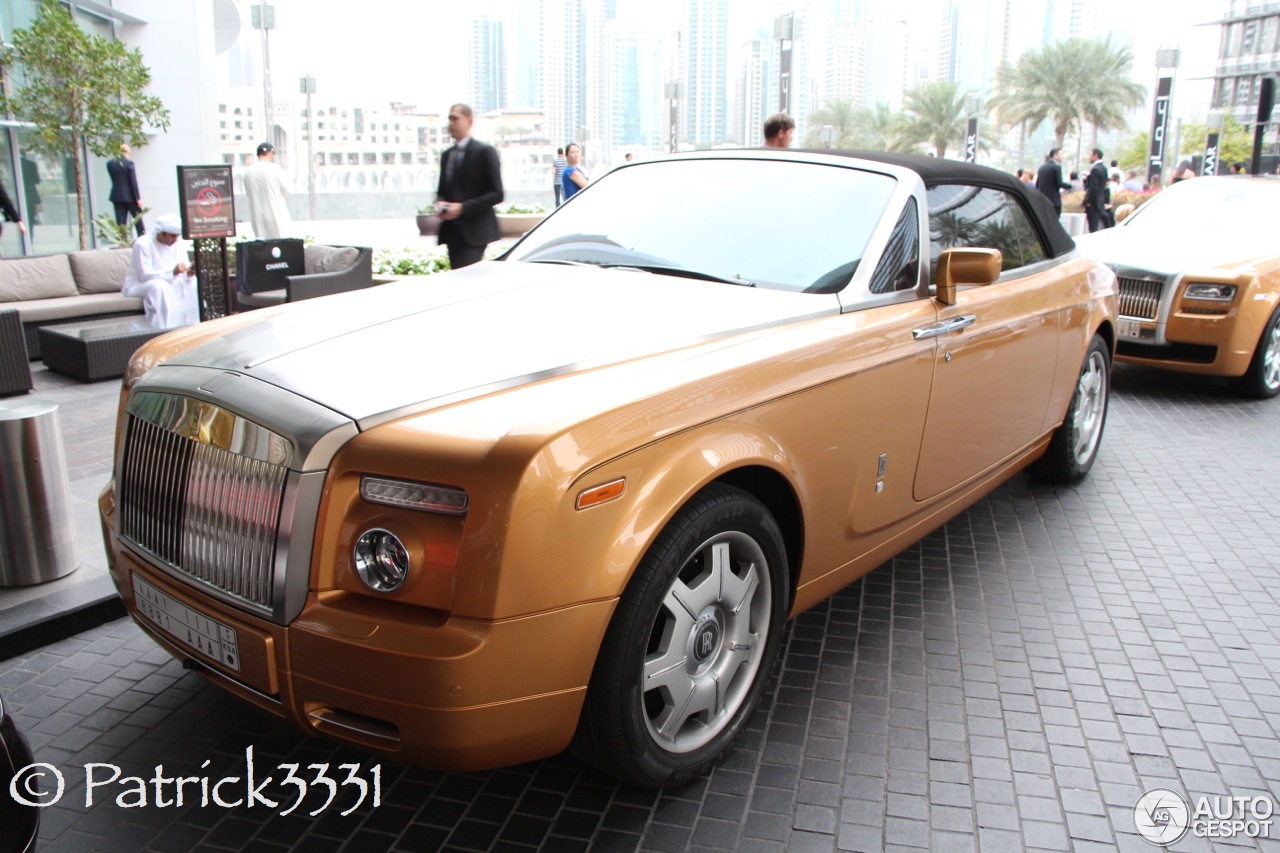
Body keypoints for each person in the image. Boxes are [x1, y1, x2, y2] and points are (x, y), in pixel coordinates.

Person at [436, 103, 503, 269]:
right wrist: (441, 203)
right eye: (449, 119)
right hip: (452, 232)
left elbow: (497, 194)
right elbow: (442, 191)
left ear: (469, 121)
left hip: (476, 231)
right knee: (458, 278)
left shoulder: (485, 152)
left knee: (466, 280)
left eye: (455, 118)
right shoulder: (447, 155)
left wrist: (462, 208)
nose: (451, 123)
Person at [122, 213, 198, 327]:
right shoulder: (143, 243)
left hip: (171, 279)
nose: (175, 240)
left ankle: (192, 324)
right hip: (140, 283)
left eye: (177, 236)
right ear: (162, 233)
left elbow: (183, 266)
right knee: (160, 286)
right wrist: (172, 273)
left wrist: (189, 273)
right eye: (172, 236)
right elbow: (144, 275)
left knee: (193, 282)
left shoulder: (178, 243)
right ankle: (164, 326)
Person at [241, 142, 291, 239]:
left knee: (262, 248)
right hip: (276, 216)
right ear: (270, 153)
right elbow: (287, 190)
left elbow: (248, 193)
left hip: (257, 217)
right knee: (280, 247)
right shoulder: (275, 168)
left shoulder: (248, 171)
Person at [106, 143, 145, 237]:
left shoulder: (110, 164)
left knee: (121, 221)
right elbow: (133, 182)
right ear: (125, 152)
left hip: (116, 196)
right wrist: (138, 198)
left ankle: (122, 240)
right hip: (130, 196)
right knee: (137, 219)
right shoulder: (129, 164)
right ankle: (142, 236)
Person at [1035, 148, 1072, 215]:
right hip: (1054, 201)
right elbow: (1059, 183)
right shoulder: (1057, 167)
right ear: (1055, 155)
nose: (1062, 156)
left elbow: (1037, 184)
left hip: (1042, 201)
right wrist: (1070, 186)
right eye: (1061, 154)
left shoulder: (1042, 167)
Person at [1083, 148, 1109, 233]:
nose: (1089, 158)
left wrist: (1087, 200)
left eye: (1090, 155)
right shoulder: (1104, 168)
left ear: (1096, 155)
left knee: (1092, 226)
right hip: (1100, 200)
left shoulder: (1095, 169)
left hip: (1093, 202)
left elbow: (1093, 187)